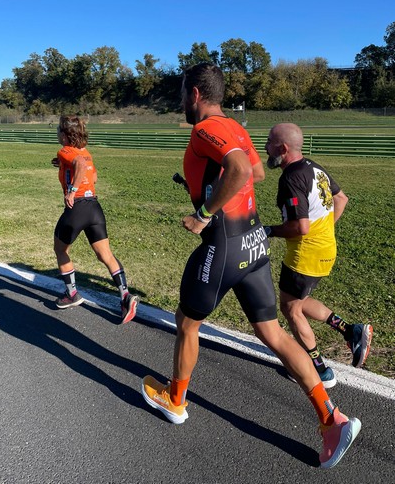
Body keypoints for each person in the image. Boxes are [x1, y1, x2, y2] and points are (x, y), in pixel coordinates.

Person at [141, 63, 361, 469]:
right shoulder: (237, 129)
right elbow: (255, 170)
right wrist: (214, 181)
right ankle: (332, 419)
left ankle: (175, 400)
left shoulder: (205, 128)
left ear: (194, 94)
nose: (180, 101)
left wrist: (205, 211)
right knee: (273, 333)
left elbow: (242, 170)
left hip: (223, 244)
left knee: (188, 323)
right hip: (255, 243)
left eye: (181, 93)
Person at [264, 123, 372, 387]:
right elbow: (341, 199)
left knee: (290, 309)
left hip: (305, 256)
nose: (265, 146)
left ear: (283, 148)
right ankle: (351, 330)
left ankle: (319, 370)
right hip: (326, 250)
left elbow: (299, 227)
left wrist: (268, 230)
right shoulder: (314, 166)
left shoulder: (290, 178)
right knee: (299, 301)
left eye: (269, 141)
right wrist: (324, 231)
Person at [52, 115, 139, 324]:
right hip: (94, 208)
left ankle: (72, 294)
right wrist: (65, 168)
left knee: (60, 249)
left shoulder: (65, 150)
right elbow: (93, 176)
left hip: (78, 208)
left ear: (64, 135)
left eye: (58, 130)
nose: (56, 133)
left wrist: (71, 191)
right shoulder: (86, 152)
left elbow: (79, 166)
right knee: (105, 255)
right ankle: (125, 296)